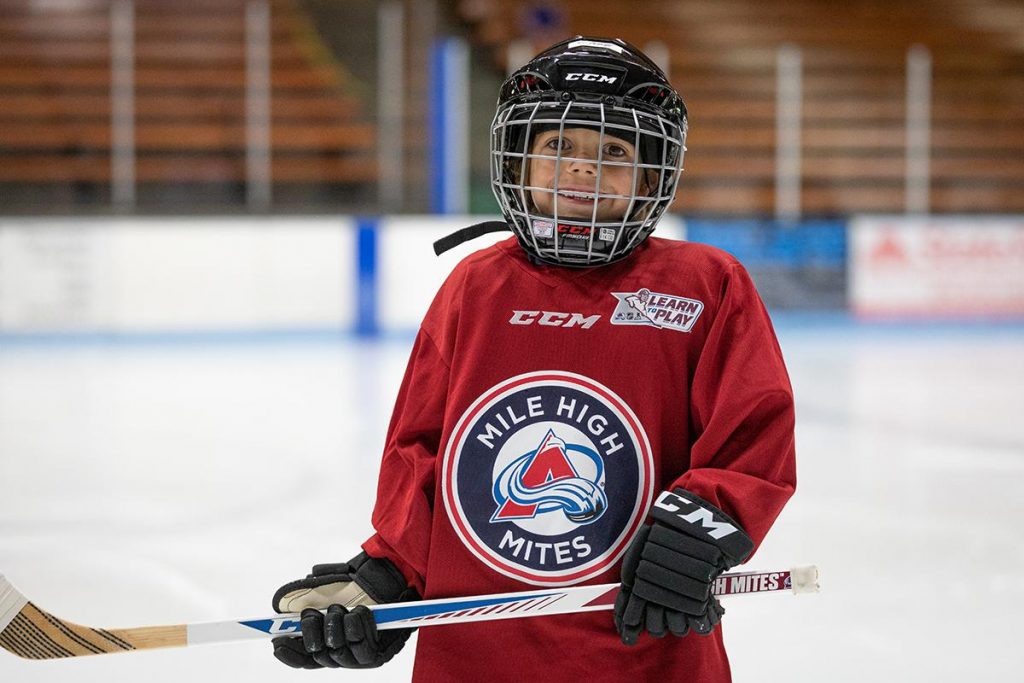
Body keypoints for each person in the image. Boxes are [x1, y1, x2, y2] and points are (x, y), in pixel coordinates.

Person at [269, 36, 797, 681]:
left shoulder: (703, 284)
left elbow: (752, 435)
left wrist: (698, 533)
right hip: (479, 653)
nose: (583, 168)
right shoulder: (476, 287)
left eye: (613, 152)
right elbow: (422, 449)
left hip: (645, 651)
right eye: (559, 147)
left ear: (654, 176)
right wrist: (391, 574)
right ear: (517, 161)